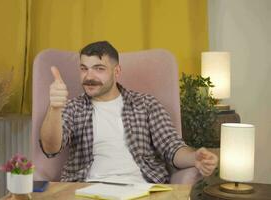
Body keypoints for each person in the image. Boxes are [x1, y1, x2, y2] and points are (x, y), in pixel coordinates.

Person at [40, 41, 218, 183]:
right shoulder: (73, 107)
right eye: (84, 68)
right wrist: (55, 108)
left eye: (99, 69)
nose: (89, 76)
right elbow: (50, 148)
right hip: (87, 188)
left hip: (139, 189)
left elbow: (172, 148)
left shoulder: (146, 104)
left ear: (116, 71)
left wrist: (195, 157)